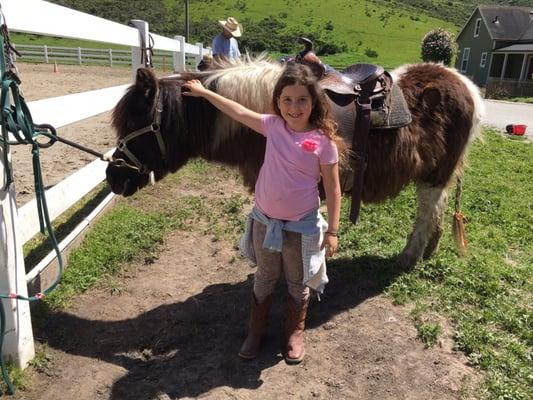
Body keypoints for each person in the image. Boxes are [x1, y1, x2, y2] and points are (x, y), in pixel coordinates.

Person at [182, 63, 342, 364]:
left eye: (302, 100)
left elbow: (333, 190)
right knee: (265, 277)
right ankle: (256, 331)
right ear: (278, 102)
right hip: (265, 221)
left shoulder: (323, 142)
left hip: (301, 226)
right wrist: (204, 93)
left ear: (314, 101)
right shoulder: (273, 126)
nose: (294, 108)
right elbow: (239, 112)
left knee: (297, 280)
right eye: (287, 100)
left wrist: (332, 231)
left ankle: (295, 331)